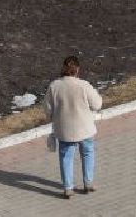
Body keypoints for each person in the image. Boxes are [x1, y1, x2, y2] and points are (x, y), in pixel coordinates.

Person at [45, 54, 102, 198]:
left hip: (64, 129)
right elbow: (97, 104)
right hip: (85, 128)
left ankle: (68, 188)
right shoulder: (84, 85)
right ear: (77, 69)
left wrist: (54, 117)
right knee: (88, 153)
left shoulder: (54, 86)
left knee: (66, 157)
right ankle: (88, 183)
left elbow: (47, 109)